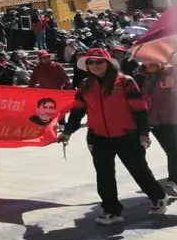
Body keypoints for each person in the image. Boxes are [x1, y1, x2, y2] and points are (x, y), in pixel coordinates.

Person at [58, 48, 170, 225]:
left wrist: (144, 133)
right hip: (98, 136)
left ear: (109, 63)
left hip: (127, 135)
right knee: (104, 175)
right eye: (90, 62)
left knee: (138, 169)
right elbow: (78, 111)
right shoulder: (85, 85)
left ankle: (158, 196)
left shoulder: (125, 82)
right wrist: (67, 132)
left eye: (99, 61)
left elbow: (139, 109)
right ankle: (112, 211)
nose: (95, 65)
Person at [137, 62, 177, 194]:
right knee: (172, 151)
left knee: (174, 150)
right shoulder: (139, 76)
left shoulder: (172, 71)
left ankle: (172, 180)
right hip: (156, 120)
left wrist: (174, 85)